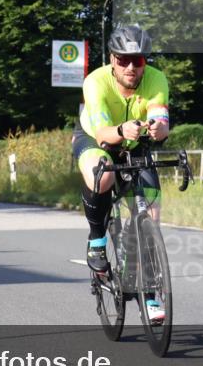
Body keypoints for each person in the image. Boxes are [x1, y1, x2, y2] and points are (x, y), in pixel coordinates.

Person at [72, 25, 170, 323]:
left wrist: (159, 127)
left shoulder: (156, 80)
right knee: (102, 177)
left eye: (137, 60)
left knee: (150, 213)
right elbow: (102, 132)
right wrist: (119, 130)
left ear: (145, 62)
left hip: (135, 141)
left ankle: (150, 293)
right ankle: (98, 239)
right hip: (95, 138)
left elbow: (161, 118)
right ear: (112, 59)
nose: (130, 67)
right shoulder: (95, 81)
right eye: (123, 59)